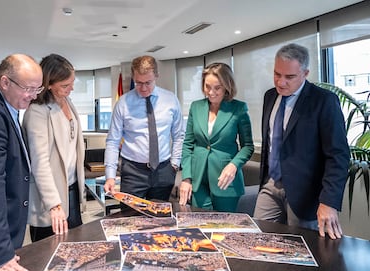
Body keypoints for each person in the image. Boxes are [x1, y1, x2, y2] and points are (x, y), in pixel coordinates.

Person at [254, 43, 350, 239]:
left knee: (305, 252)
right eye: (277, 74)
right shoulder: (270, 96)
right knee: (257, 239)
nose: (280, 82)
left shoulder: (323, 101)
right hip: (271, 185)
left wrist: (329, 202)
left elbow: (338, 155)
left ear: (305, 73)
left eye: (289, 77)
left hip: (306, 194)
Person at [22, 54, 85, 242]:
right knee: (50, 253)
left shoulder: (68, 102)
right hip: (51, 197)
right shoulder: (37, 112)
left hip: (72, 189)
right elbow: (39, 163)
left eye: (72, 83)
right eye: (65, 85)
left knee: (76, 247)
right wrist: (54, 204)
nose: (71, 89)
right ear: (49, 84)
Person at [104, 55, 184, 201]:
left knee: (161, 220)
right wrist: (110, 176)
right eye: (138, 83)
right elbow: (113, 141)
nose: (144, 88)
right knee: (130, 220)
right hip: (133, 172)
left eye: (148, 82)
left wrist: (174, 164)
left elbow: (179, 135)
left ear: (157, 76)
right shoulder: (123, 103)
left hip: (164, 170)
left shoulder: (171, 100)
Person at [0, 54, 43, 271]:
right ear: (5, 82)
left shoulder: (9, 108)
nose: (34, 96)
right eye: (29, 88)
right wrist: (0, 253)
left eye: (38, 89)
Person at [179, 62, 254, 212]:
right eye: (207, 87)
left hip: (225, 180)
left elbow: (248, 146)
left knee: (224, 230)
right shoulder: (196, 107)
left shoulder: (238, 108)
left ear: (227, 86)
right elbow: (188, 144)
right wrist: (186, 178)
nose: (211, 92)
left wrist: (234, 165)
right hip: (198, 179)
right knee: (199, 225)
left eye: (217, 88)